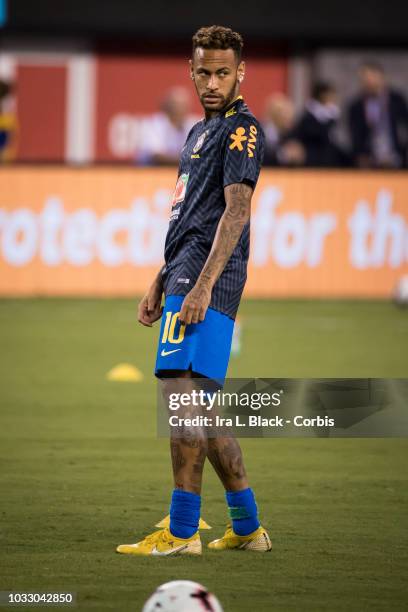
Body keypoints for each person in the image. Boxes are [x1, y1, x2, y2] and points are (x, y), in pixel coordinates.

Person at [117, 25, 272, 556]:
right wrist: (159, 279)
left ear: (240, 73)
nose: (211, 81)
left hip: (205, 279)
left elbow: (236, 211)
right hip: (183, 273)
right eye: (203, 71)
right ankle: (247, 527)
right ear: (191, 70)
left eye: (222, 72)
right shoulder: (197, 133)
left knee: (179, 402)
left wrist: (200, 286)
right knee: (199, 408)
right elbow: (190, 217)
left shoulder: (240, 130)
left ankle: (182, 533)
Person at [348, 62, 408, 168]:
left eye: (371, 77)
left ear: (381, 77)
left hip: (397, 157)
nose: (368, 81)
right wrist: (360, 155)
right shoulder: (356, 106)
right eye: (364, 79)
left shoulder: (397, 100)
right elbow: (355, 135)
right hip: (370, 161)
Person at [288, 81, 347, 167]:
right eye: (331, 95)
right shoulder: (308, 117)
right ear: (323, 95)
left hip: (330, 160)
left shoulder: (333, 115)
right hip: (312, 161)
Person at [136, 86, 198, 165]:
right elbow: (157, 157)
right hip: (149, 173)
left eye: (183, 105)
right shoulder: (153, 125)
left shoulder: (193, 124)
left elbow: (201, 154)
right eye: (176, 105)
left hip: (179, 173)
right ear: (167, 106)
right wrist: (188, 158)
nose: (179, 109)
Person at [263, 92, 305, 166]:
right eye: (284, 114)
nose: (288, 118)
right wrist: (283, 154)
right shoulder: (260, 132)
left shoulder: (291, 133)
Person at [0, 80, 17, 162]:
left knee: (5, 144)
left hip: (6, 124)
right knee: (4, 144)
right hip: (5, 123)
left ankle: (4, 161)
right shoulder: (8, 100)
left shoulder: (9, 100)